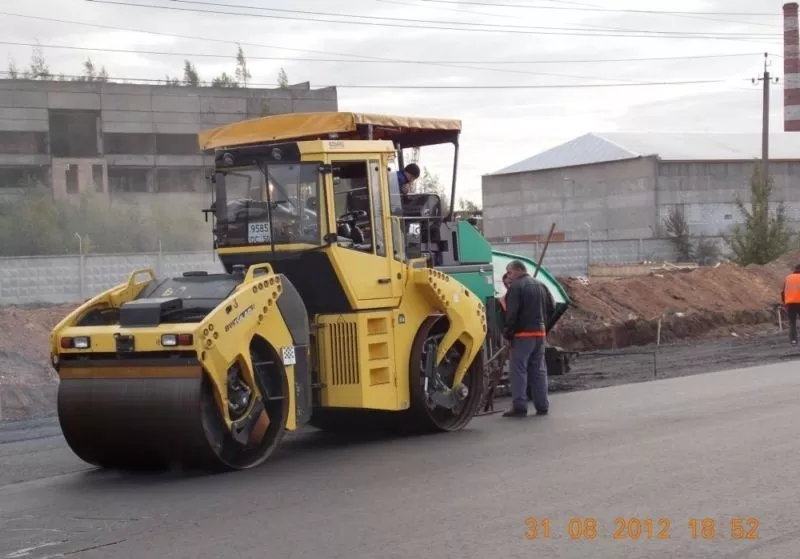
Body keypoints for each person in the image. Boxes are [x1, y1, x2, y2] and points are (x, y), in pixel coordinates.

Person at [502, 259, 555, 418]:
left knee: (518, 370)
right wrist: (543, 324)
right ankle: (542, 405)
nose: (508, 277)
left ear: (518, 271)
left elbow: (511, 315)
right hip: (540, 334)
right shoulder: (540, 285)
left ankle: (519, 406)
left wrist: (507, 334)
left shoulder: (516, 288)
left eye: (510, 273)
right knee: (538, 370)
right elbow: (551, 307)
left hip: (522, 335)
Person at [782, 264, 800, 345]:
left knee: (792, 322)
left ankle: (793, 340)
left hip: (790, 304)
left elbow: (783, 292)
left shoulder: (788, 278)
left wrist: (784, 302)